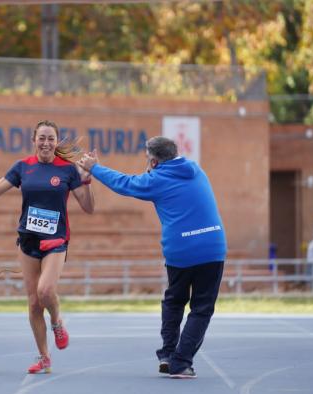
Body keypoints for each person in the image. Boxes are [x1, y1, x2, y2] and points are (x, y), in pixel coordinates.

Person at [78, 136, 226, 379]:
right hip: (212, 246)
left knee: (174, 301)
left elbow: (124, 183)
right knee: (201, 308)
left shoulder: (156, 179)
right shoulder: (196, 170)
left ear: (155, 161)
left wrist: (94, 167)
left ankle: (170, 356)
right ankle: (182, 361)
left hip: (181, 250)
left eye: (148, 160)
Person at [0, 120, 95, 374]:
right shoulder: (23, 167)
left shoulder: (68, 170)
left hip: (56, 240)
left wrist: (86, 181)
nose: (46, 143)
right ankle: (44, 357)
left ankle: (57, 322)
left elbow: (88, 207)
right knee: (32, 303)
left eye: (51, 138)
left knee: (45, 290)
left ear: (56, 142)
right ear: (34, 140)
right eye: (42, 138)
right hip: (28, 240)